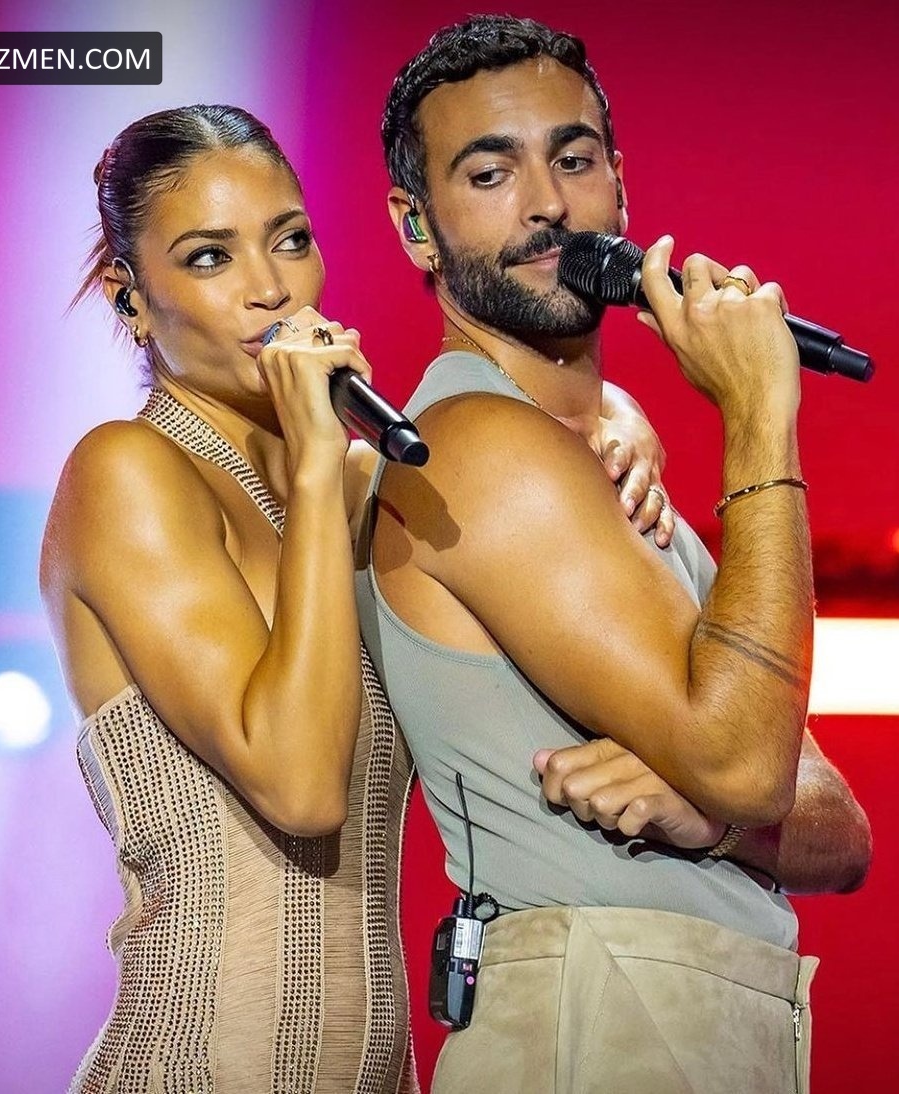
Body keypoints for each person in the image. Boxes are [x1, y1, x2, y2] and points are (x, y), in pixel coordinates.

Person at [41, 103, 675, 1093]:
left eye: (291, 240)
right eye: (209, 257)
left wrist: (608, 416)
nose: (269, 288)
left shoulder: (360, 490)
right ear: (132, 299)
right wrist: (312, 465)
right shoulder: (127, 471)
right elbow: (300, 786)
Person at [357, 16, 872, 1093]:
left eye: (574, 158)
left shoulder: (607, 472)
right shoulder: (476, 449)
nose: (546, 202)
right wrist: (758, 416)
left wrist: (712, 821)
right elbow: (752, 766)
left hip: (687, 1014)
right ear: (415, 227)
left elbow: (839, 831)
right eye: (490, 172)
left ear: (621, 187)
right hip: (591, 1015)